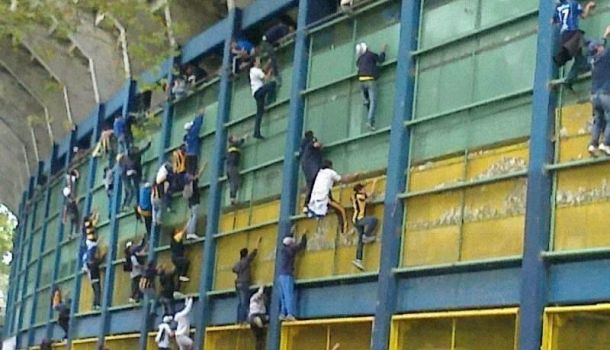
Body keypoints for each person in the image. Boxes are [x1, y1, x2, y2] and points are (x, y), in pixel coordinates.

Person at [307, 160, 359, 234]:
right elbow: (343, 179)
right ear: (330, 166)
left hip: (315, 200)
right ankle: (345, 231)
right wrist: (355, 176)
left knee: (336, 209)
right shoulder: (330, 172)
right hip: (324, 199)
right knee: (341, 210)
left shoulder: (320, 173)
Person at [553, 0, 596, 90]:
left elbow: (554, 21)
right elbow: (584, 15)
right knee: (590, 43)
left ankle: (569, 79)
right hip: (573, 35)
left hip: (564, 36)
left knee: (579, 59)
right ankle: (594, 63)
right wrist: (589, 6)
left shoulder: (559, 7)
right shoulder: (574, 3)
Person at [587, 26, 610, 156]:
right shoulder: (606, 56)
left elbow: (601, 46)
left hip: (594, 95)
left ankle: (593, 144)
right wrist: (606, 34)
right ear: (598, 49)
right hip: (605, 94)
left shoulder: (592, 61)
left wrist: (604, 37)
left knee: (598, 120)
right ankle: (606, 144)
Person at [356, 42, 387, 130]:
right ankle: (369, 122)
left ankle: (365, 101)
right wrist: (383, 51)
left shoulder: (359, 60)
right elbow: (380, 60)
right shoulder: (370, 55)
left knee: (368, 101)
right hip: (369, 80)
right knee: (373, 101)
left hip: (361, 82)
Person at [232, 236, 262, 324]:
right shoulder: (246, 260)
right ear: (246, 254)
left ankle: (239, 320)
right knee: (245, 302)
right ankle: (243, 320)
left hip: (237, 284)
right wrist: (258, 241)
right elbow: (254, 252)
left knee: (240, 303)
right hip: (244, 283)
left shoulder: (238, 263)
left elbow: (233, 269)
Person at [278, 235, 307, 321]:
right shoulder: (291, 249)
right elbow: (301, 246)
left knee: (283, 296)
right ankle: (290, 314)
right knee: (288, 295)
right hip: (287, 275)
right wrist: (304, 236)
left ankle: (282, 313)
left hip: (280, 276)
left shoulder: (283, 251)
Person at [351, 181, 378, 270]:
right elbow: (371, 194)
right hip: (359, 219)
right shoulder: (360, 196)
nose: (364, 189)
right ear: (359, 190)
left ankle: (358, 259)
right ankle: (366, 236)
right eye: (363, 188)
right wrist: (374, 183)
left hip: (356, 219)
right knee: (373, 220)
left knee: (360, 240)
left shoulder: (355, 196)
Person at [250, 58, 277, 139]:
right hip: (259, 90)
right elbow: (266, 78)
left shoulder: (253, 71)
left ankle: (256, 132)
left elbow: (262, 71)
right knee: (272, 84)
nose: (260, 62)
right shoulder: (256, 70)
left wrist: (268, 63)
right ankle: (270, 100)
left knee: (259, 113)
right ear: (254, 62)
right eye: (258, 61)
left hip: (256, 93)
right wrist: (270, 71)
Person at [299, 131, 323, 213]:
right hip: (313, 168)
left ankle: (307, 205)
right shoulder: (310, 144)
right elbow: (317, 145)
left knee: (310, 185)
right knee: (315, 184)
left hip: (307, 169)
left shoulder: (304, 149)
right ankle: (311, 204)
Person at [184, 165, 206, 240]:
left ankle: (188, 233)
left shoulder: (187, 183)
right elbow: (199, 174)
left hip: (190, 202)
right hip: (195, 201)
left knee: (191, 217)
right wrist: (204, 167)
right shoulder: (194, 181)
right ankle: (191, 233)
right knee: (194, 216)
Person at [226, 135, 246, 204]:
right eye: (235, 137)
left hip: (230, 167)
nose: (236, 137)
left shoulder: (231, 147)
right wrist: (244, 137)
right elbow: (239, 142)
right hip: (232, 167)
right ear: (232, 140)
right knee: (234, 182)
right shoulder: (233, 146)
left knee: (234, 182)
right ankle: (233, 199)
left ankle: (233, 198)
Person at [248, 286, 269, 350]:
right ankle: (257, 321)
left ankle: (258, 323)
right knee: (267, 318)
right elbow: (259, 294)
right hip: (257, 315)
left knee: (259, 338)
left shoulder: (253, 299)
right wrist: (262, 287)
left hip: (253, 318)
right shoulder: (256, 297)